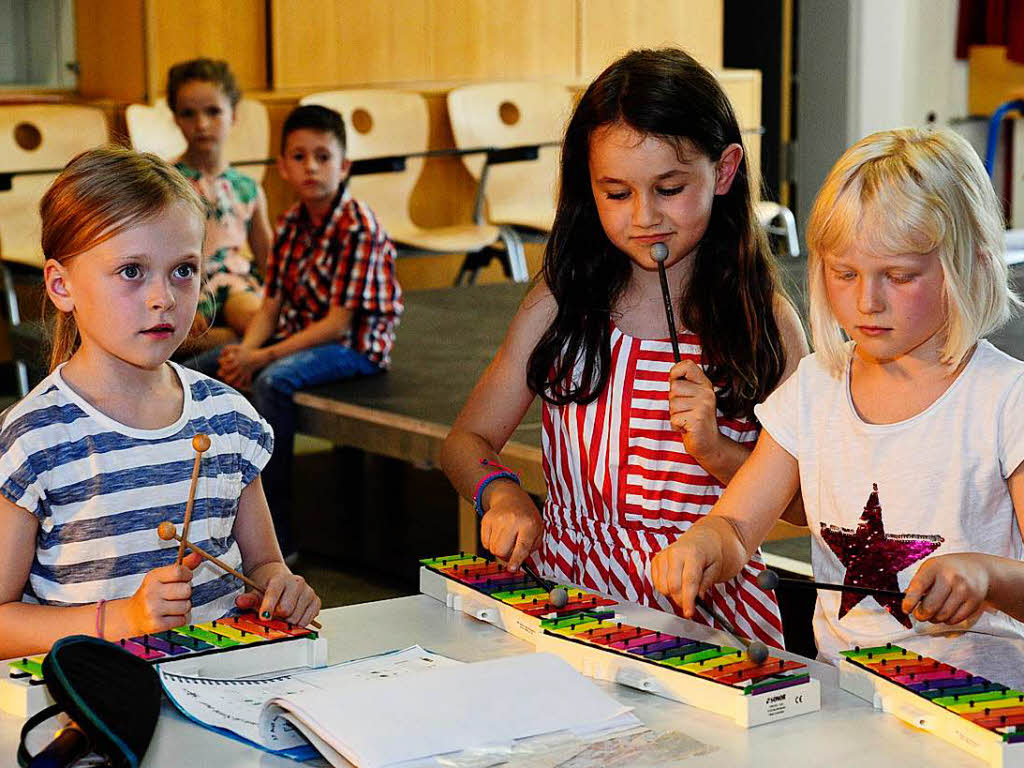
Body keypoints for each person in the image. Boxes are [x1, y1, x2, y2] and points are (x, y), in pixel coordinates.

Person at [440, 48, 808, 648]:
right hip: (567, 601)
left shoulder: (765, 325)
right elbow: (465, 442)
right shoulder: (559, 303)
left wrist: (715, 451)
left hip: (704, 620)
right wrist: (503, 495)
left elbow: (801, 507)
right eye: (616, 193)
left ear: (724, 170)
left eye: (669, 188)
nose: (644, 217)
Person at [651, 127, 1024, 686]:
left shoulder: (1005, 400)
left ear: (965, 263)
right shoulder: (816, 387)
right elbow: (736, 523)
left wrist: (987, 577)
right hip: (850, 695)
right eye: (844, 273)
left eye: (898, 276)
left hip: (981, 706)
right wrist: (705, 544)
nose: (866, 301)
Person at [0, 147, 320, 659]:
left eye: (183, 270)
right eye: (131, 271)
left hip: (222, 691)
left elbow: (263, 567)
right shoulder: (35, 438)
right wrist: (123, 618)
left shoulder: (229, 419)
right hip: (100, 709)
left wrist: (281, 588)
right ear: (62, 286)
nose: (163, 298)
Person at [194, 105, 403, 558]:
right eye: (300, 156)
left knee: (275, 381)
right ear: (284, 167)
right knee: (203, 371)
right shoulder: (290, 224)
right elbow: (270, 305)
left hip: (352, 347)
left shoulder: (358, 226)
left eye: (323, 157)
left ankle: (279, 534)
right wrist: (243, 352)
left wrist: (260, 359)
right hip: (294, 336)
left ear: (344, 165)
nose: (311, 167)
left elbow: (337, 324)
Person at [167, 58, 273, 346]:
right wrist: (175, 302)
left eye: (213, 112)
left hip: (233, 284)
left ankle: (233, 343)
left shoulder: (247, 188)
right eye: (189, 114)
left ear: (234, 114)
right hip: (184, 285)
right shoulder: (165, 182)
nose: (201, 124)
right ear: (175, 117)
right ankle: (233, 344)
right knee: (175, 341)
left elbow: (269, 261)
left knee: (254, 320)